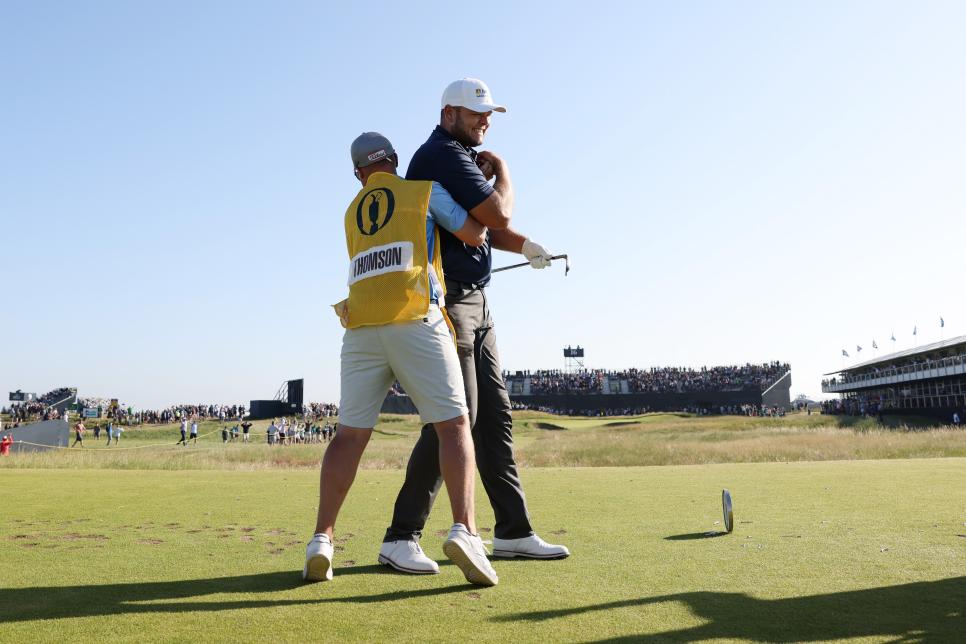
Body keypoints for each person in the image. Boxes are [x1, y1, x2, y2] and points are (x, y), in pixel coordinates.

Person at [382, 78, 569, 570]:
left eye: (488, 114)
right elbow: (496, 211)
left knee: (494, 419)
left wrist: (525, 245)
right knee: (454, 416)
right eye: (475, 113)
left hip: (478, 303)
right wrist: (503, 170)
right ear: (448, 115)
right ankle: (400, 536)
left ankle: (513, 531)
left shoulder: (456, 155)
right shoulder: (443, 154)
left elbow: (486, 227)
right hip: (452, 302)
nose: (485, 121)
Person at [304, 132, 496, 587]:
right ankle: (466, 531)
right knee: (453, 425)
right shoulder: (420, 190)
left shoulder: (351, 212)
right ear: (394, 159)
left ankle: (321, 540)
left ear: (358, 174)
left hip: (360, 328)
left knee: (349, 436)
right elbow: (475, 232)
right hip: (414, 317)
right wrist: (485, 183)